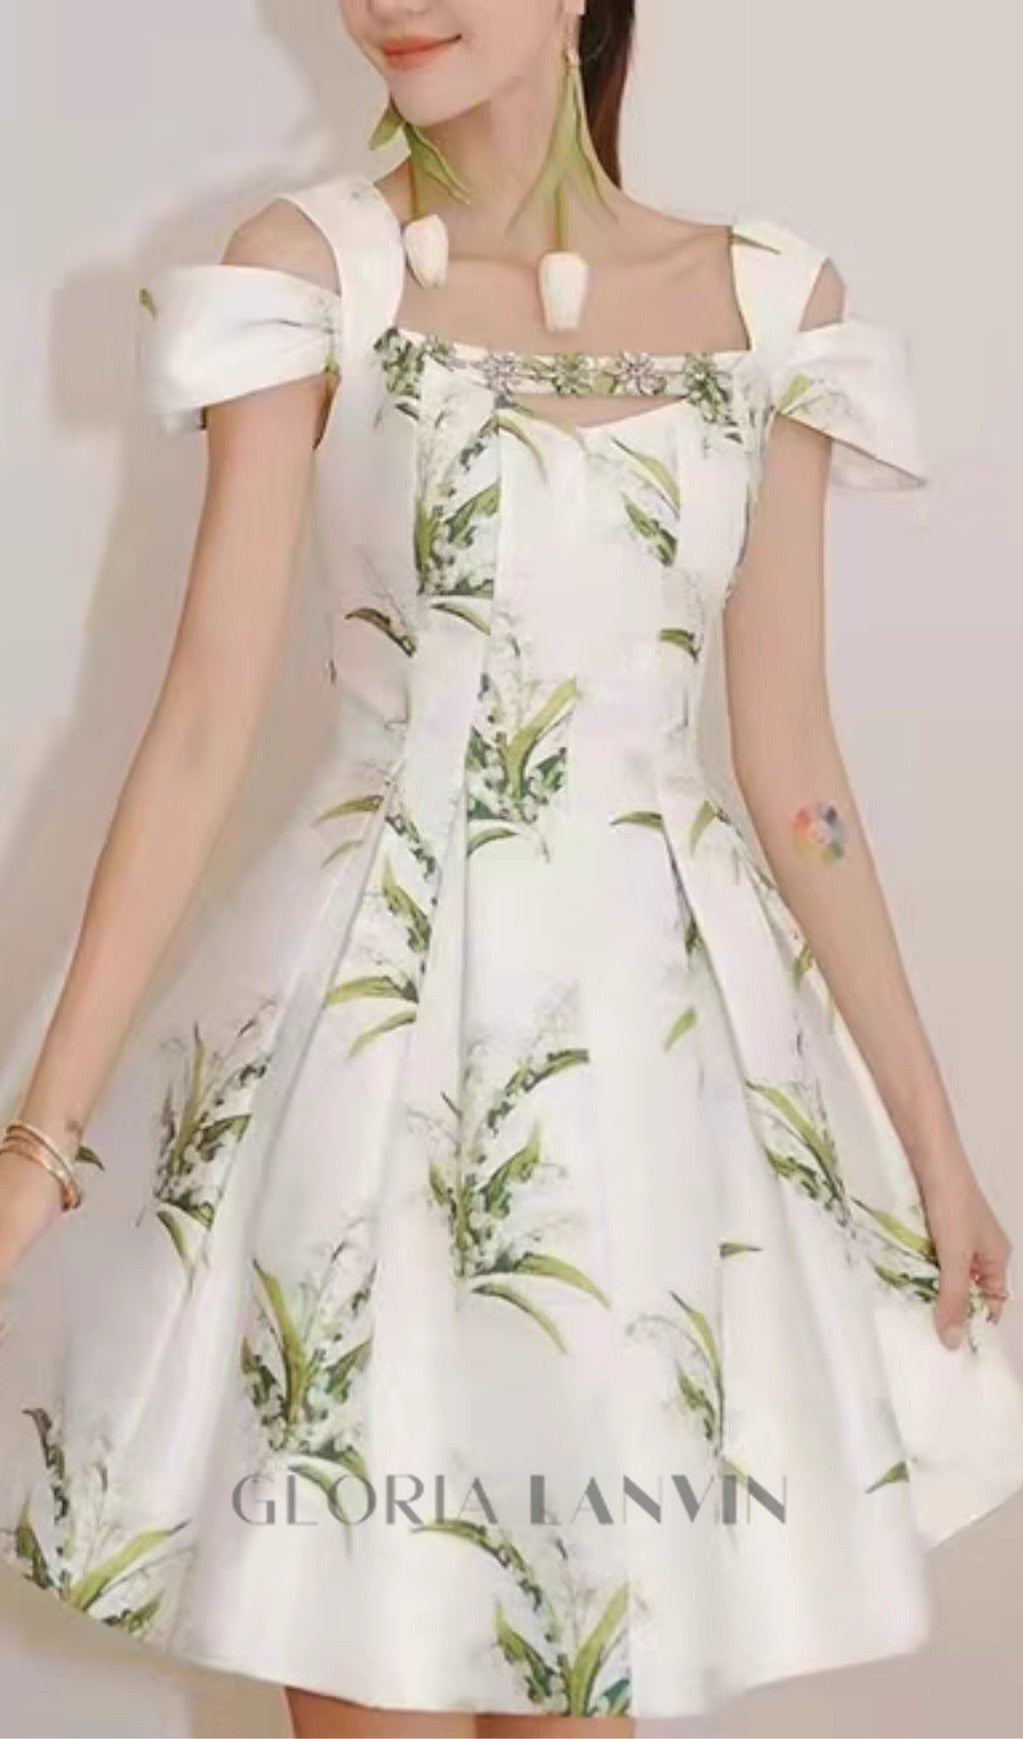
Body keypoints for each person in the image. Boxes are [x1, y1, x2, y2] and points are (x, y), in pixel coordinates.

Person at [2, 2, 1023, 1735]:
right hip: (367, 1087)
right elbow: (199, 733)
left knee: (587, 1666)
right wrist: (40, 1143)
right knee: (364, 1651)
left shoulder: (774, 304)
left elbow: (794, 765)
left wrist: (934, 1144)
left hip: (651, 1110)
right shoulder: (308, 275)